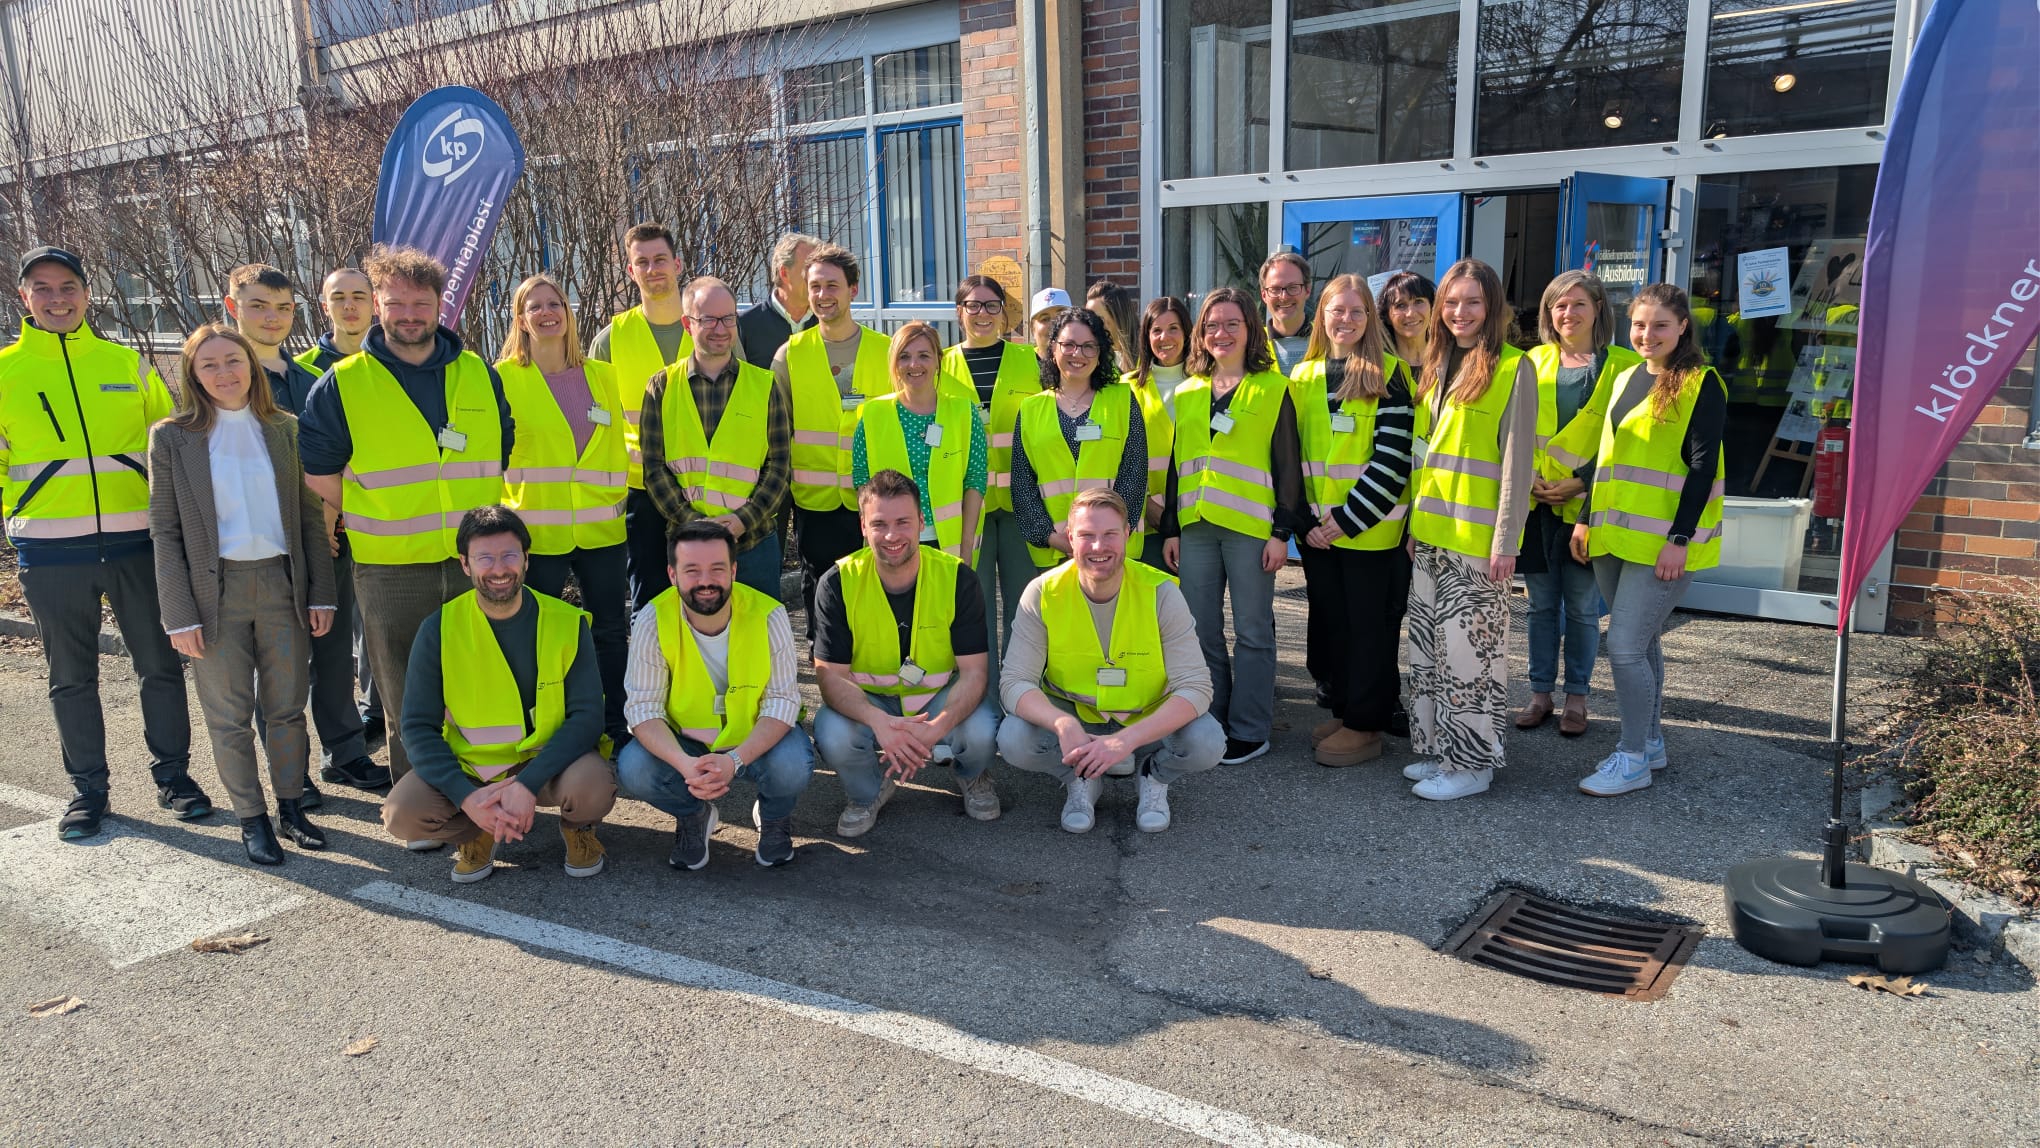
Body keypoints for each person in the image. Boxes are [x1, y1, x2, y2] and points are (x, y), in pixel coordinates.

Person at [1, 246, 212, 840]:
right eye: (42, 288)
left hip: (138, 546)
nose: (57, 298)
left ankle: (174, 778)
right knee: (71, 676)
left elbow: (167, 447)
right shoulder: (4, 372)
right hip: (48, 554)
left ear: (87, 293)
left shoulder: (128, 364)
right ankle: (88, 790)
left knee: (161, 666)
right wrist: (16, 518)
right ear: (25, 299)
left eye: (68, 286)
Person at [298, 244, 515, 791]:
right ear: (377, 304)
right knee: (403, 693)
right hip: (392, 569)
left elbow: (501, 448)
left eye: (422, 303)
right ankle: (421, 801)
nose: (410, 314)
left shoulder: (479, 374)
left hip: (478, 564)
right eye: (397, 303)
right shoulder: (343, 383)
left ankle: (486, 790)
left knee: (482, 682)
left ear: (441, 305)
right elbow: (320, 474)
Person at [148, 325, 336, 864]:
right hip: (215, 592)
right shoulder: (172, 437)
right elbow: (165, 531)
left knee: (285, 708)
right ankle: (252, 820)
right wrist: (178, 613)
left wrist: (321, 594)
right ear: (193, 375)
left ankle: (291, 806)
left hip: (281, 584)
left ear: (251, 365)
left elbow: (309, 518)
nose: (225, 373)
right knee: (228, 715)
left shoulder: (285, 429)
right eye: (210, 365)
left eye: (234, 360)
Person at [381, 506, 615, 883]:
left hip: (547, 764)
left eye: (509, 555)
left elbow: (587, 716)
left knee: (593, 785)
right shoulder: (438, 629)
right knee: (403, 814)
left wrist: (526, 784)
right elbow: (418, 727)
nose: (499, 569)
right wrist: (467, 799)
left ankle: (578, 830)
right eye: (484, 558)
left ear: (526, 560)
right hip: (474, 768)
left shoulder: (566, 622)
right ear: (465, 564)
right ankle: (480, 828)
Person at [225, 264, 388, 797]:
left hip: (325, 541)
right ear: (233, 308)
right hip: (261, 548)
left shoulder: (311, 381)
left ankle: (345, 754)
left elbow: (331, 460)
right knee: (279, 662)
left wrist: (329, 515)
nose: (271, 318)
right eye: (258, 306)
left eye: (281, 308)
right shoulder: (225, 381)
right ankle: (287, 771)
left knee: (337, 650)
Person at [1557, 284, 1726, 797]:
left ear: (1682, 329)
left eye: (1659, 325)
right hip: (1613, 536)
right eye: (1639, 325)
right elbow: (1606, 458)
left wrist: (1680, 538)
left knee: (1625, 647)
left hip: (1664, 545)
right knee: (1643, 643)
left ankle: (1631, 757)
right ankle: (1650, 742)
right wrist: (1584, 518)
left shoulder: (1701, 382)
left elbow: (1701, 469)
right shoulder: (1627, 376)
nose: (1647, 334)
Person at [998, 489, 1224, 833]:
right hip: (1077, 716)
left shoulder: (1162, 592)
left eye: (1109, 535)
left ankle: (1153, 776)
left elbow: (1196, 687)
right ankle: (1081, 775)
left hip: (1146, 718)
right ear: (1070, 538)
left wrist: (1127, 741)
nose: (1098, 547)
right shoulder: (1043, 592)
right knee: (1013, 737)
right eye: (1086, 535)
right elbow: (1014, 682)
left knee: (1208, 741)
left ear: (1128, 536)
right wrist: (1063, 725)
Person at [1400, 259, 1538, 801]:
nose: (1460, 312)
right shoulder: (1435, 365)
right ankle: (1440, 749)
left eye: (1473, 302)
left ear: (1493, 307)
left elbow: (1516, 462)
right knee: (1429, 652)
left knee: (1469, 659)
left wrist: (1506, 541)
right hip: (1433, 534)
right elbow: (1422, 455)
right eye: (1452, 302)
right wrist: (1414, 523)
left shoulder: (1512, 368)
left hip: (1478, 542)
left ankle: (1472, 764)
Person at [1159, 287, 1307, 767]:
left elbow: (1289, 467)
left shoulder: (1273, 389)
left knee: (1253, 631)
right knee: (1200, 629)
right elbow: (1177, 466)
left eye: (1232, 324)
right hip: (1196, 527)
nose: (1221, 333)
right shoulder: (1187, 391)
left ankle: (1250, 729)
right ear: (1201, 334)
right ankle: (1211, 718)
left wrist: (1281, 533)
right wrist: (1171, 529)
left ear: (1251, 329)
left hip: (1250, 530)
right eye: (1212, 325)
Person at [616, 520, 815, 869]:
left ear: (734, 571)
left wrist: (734, 761)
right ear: (672, 574)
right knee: (634, 767)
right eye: (692, 570)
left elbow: (783, 702)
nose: (705, 581)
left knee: (794, 762)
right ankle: (695, 814)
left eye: (717, 569)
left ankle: (774, 818)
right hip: (688, 747)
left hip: (754, 742)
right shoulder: (651, 619)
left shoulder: (769, 615)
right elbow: (642, 709)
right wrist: (686, 767)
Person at [812, 470, 1000, 836]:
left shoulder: (957, 577)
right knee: (832, 731)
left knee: (982, 728)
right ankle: (867, 791)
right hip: (872, 702)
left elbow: (975, 673)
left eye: (903, 522)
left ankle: (973, 777)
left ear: (921, 522)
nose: (892, 535)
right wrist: (879, 723)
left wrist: (935, 730)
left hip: (936, 698)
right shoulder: (837, 582)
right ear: (863, 526)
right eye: (879, 524)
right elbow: (829, 677)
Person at [495, 274, 632, 749]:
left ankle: (616, 723)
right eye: (535, 306)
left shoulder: (603, 375)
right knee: (539, 635)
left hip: (603, 530)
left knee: (612, 631)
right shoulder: (504, 379)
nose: (547, 312)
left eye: (555, 303)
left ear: (569, 314)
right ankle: (546, 728)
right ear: (521, 318)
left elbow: (617, 447)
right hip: (537, 532)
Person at [1292, 275, 1417, 768]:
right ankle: (1345, 710)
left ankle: (1367, 725)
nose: (1345, 320)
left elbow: (1392, 460)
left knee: (1370, 631)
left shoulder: (1390, 374)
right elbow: (1289, 457)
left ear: (1371, 318)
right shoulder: (1302, 377)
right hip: (1317, 534)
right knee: (1332, 626)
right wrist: (1304, 523)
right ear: (1320, 316)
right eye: (1336, 311)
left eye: (1356, 311)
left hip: (1369, 532)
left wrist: (1343, 522)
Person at [1516, 271, 1642, 738]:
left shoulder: (1625, 366)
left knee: (1584, 609)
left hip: (1588, 508)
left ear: (1598, 308)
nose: (1567, 314)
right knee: (1540, 607)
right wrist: (1529, 480)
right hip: (1536, 506)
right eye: (1558, 306)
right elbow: (1516, 430)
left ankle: (1577, 700)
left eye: (1577, 304)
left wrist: (1579, 483)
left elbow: (1627, 442)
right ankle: (1539, 694)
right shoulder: (1532, 361)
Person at [641, 276, 791, 599]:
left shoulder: (764, 385)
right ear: (687, 324)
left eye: (728, 318)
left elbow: (779, 467)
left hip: (754, 544)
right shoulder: (662, 387)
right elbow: (653, 469)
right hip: (688, 546)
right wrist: (695, 525)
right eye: (708, 319)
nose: (720, 329)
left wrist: (741, 521)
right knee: (694, 643)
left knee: (759, 640)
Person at [295, 267, 386, 758]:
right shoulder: (307, 369)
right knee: (344, 625)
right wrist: (327, 514)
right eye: (339, 297)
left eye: (359, 296)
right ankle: (352, 728)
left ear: (375, 302)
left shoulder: (391, 359)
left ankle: (379, 711)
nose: (350, 306)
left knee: (380, 620)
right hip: (332, 521)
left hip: (387, 515)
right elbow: (307, 454)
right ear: (323, 303)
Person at [780, 244, 893, 640]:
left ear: (853, 290)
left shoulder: (886, 351)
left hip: (875, 496)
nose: (823, 295)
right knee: (820, 587)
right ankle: (824, 660)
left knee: (876, 588)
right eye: (815, 287)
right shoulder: (789, 355)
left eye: (832, 286)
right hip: (815, 500)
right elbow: (780, 429)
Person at [943, 275, 1041, 708]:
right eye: (972, 305)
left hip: (1021, 506)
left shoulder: (1032, 362)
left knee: (1025, 610)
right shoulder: (940, 365)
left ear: (1005, 311)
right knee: (972, 609)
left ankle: (1019, 701)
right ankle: (977, 707)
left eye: (991, 305)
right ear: (958, 311)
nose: (982, 314)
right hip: (967, 508)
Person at [587, 223, 693, 611]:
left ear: (677, 263)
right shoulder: (610, 339)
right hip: (640, 489)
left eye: (660, 260)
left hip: (705, 485)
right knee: (648, 598)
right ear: (630, 272)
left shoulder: (711, 327)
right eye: (642, 262)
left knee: (705, 594)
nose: (653, 270)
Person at [1011, 308, 1148, 568]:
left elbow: (1134, 474)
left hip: (1112, 551)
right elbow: (1022, 485)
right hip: (1053, 551)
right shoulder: (1030, 409)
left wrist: (1105, 537)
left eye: (1088, 346)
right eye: (1069, 345)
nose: (1078, 354)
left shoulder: (1123, 400)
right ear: (1053, 349)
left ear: (1100, 353)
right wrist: (1052, 537)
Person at [851, 322, 985, 561]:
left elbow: (975, 479)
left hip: (947, 544)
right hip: (891, 543)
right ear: (894, 364)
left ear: (937, 360)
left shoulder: (964, 412)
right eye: (904, 357)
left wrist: (965, 549)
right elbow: (862, 479)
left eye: (923, 355)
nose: (914, 365)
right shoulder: (872, 414)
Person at [1124, 296, 1190, 568]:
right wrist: (1148, 506)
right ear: (1146, 336)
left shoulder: (1208, 383)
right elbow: (1117, 455)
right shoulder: (1126, 388)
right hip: (1145, 523)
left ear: (1187, 332)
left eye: (1174, 328)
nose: (1166, 337)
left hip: (1196, 520)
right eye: (1157, 330)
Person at [739, 231, 821, 367]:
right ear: (784, 273)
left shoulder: (827, 322)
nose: (816, 278)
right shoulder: (744, 325)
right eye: (808, 269)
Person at [1261, 251, 1313, 376]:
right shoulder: (1251, 343)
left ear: (1307, 290)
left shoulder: (1327, 339)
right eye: (1275, 289)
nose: (1284, 297)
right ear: (1264, 295)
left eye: (1293, 287)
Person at [1378, 271, 1435, 371]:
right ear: (1387, 317)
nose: (1410, 313)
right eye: (1401, 305)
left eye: (1418, 302)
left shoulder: (1446, 361)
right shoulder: (1376, 368)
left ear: (1432, 307)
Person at [1085, 280, 1140, 376]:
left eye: (1097, 319)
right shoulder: (1093, 360)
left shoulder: (1149, 357)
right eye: (1088, 320)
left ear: (1118, 317)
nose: (1090, 325)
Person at [1028, 287, 1071, 360]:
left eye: (1061, 316)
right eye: (1045, 319)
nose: (1053, 324)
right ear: (1032, 329)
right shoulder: (1022, 364)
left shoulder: (1085, 363)